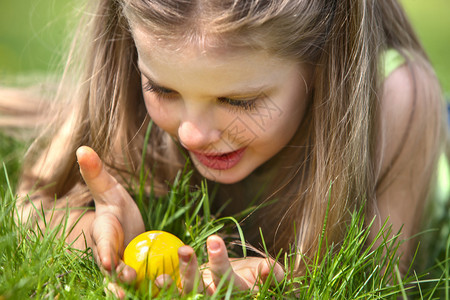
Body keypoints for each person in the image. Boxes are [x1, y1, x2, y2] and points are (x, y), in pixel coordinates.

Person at [11, 0, 446, 297]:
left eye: (238, 101)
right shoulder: (132, 68)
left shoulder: (397, 97)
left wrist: (274, 285)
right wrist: (104, 238)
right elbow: (31, 208)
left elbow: (374, 284)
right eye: (162, 88)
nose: (191, 134)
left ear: (321, 62)